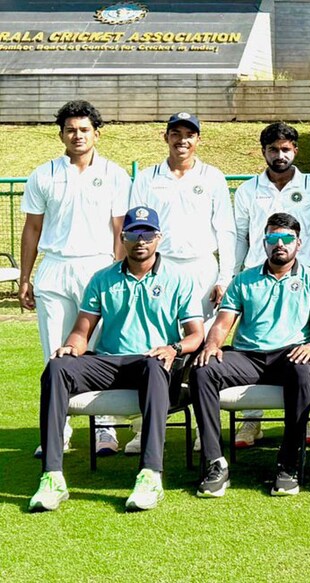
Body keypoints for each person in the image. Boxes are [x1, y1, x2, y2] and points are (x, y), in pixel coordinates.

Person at [30, 206, 204, 512]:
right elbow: (81, 332)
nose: (141, 240)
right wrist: (70, 346)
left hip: (152, 361)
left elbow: (196, 336)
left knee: (153, 365)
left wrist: (173, 348)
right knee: (56, 367)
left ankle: (150, 474)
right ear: (122, 238)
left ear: (158, 238)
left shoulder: (180, 278)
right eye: (133, 233)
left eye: (147, 234)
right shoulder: (102, 279)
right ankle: (52, 476)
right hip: (109, 361)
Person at [191, 212, 310, 498]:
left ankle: (288, 463)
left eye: (287, 239)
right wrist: (212, 345)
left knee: (303, 371)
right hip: (248, 356)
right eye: (273, 238)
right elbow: (222, 324)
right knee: (202, 369)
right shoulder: (244, 280)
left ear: (299, 243)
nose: (279, 244)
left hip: (290, 354)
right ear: (264, 242)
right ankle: (215, 463)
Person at [20, 100, 131, 458]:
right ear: (61, 134)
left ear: (96, 133)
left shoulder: (115, 174)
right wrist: (25, 277)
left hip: (98, 269)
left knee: (101, 350)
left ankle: (106, 429)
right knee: (56, 353)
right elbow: (32, 228)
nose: (77, 135)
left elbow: (120, 230)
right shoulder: (43, 174)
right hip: (54, 268)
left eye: (84, 129)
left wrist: (117, 274)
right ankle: (58, 431)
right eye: (71, 130)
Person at [129, 111, 235, 453]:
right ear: (166, 137)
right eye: (176, 133)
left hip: (202, 269)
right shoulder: (147, 178)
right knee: (152, 342)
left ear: (198, 139)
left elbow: (226, 230)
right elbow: (135, 230)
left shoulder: (213, 177)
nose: (183, 140)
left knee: (202, 347)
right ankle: (142, 426)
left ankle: (201, 428)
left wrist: (224, 276)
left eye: (189, 134)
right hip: (160, 267)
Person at [232, 122, 310, 448]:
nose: (280, 155)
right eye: (273, 149)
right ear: (264, 152)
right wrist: (231, 275)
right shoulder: (247, 190)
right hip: (256, 280)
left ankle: (305, 419)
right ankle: (251, 422)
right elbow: (239, 237)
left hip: (301, 278)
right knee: (254, 347)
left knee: (300, 352)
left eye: (286, 149)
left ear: (295, 151)